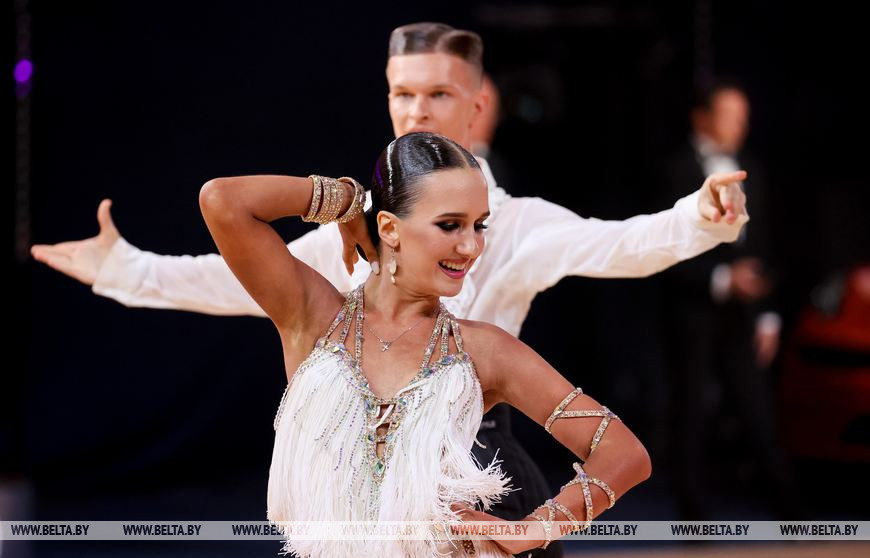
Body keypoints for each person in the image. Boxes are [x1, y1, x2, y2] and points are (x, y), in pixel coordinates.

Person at [31, 23, 748, 554]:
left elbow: (621, 245)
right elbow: (229, 258)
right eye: (403, 93)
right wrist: (129, 268)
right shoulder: (335, 265)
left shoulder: (517, 239)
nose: (417, 110)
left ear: (478, 106)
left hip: (481, 468)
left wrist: (698, 219)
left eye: (438, 93)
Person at [199, 131, 653, 556]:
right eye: (450, 225)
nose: (471, 246)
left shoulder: (483, 350)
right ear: (389, 228)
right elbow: (224, 201)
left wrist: (538, 527)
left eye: (479, 225)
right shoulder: (314, 317)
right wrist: (347, 201)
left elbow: (624, 453)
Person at [659, 80, 799, 520]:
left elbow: (765, 242)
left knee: (756, 406)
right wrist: (721, 278)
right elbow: (661, 249)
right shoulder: (675, 169)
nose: (740, 126)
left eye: (743, 117)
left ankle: (790, 510)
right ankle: (693, 516)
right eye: (729, 116)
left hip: (743, 312)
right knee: (692, 409)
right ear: (702, 118)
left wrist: (768, 315)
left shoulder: (750, 166)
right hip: (693, 310)